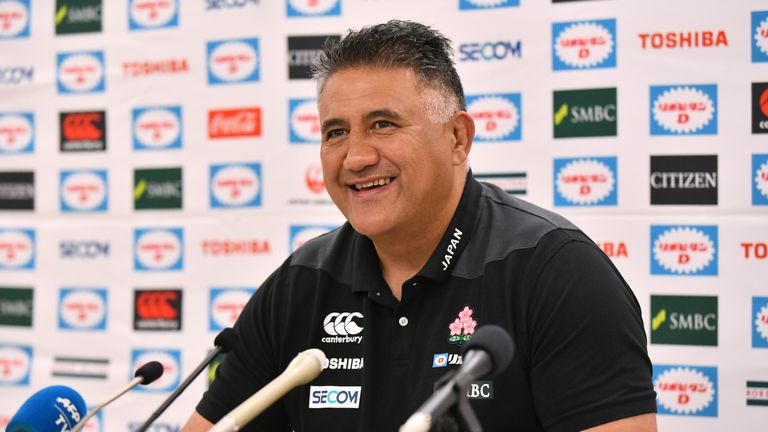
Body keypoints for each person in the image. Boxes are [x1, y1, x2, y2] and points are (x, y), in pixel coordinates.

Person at [183, 20, 657, 432]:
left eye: (384, 124)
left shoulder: (557, 270)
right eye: (336, 132)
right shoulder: (301, 282)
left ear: (457, 138)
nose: (357, 157)